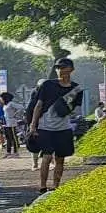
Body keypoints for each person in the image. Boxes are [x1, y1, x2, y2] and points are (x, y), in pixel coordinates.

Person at [28, 58, 83, 193]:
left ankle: (56, 186)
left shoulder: (76, 89)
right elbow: (38, 105)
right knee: (46, 157)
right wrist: (33, 125)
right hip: (45, 127)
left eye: (64, 67)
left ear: (71, 69)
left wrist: (66, 108)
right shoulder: (47, 85)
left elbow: (75, 110)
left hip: (63, 128)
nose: (61, 70)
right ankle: (42, 186)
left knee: (60, 159)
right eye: (58, 68)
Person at [0, 92, 23, 157]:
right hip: (6, 123)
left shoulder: (11, 103)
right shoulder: (5, 105)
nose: (0, 99)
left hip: (12, 123)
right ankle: (8, 152)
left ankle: (16, 152)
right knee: (8, 138)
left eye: (1, 98)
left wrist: (15, 114)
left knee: (14, 138)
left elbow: (21, 107)